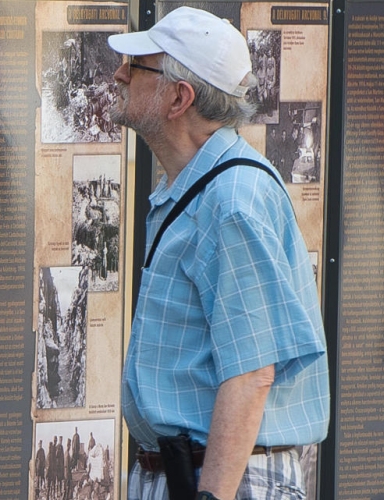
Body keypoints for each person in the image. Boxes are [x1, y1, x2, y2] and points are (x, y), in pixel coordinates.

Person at [107, 7, 329, 500]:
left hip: (225, 480)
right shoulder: (200, 187)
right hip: (190, 474)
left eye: (136, 66)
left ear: (178, 98)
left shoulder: (231, 200)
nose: (119, 74)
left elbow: (251, 374)